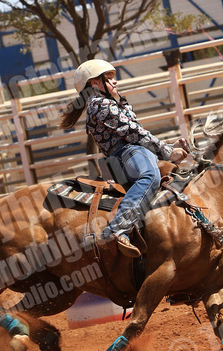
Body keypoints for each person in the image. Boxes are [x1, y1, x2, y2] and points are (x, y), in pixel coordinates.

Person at [59, 59, 188, 258]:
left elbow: (135, 129)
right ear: (95, 83)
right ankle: (117, 228)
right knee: (150, 177)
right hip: (128, 153)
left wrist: (168, 148)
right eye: (109, 78)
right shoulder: (100, 104)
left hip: (134, 151)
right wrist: (168, 152)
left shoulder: (109, 103)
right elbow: (133, 132)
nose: (115, 81)